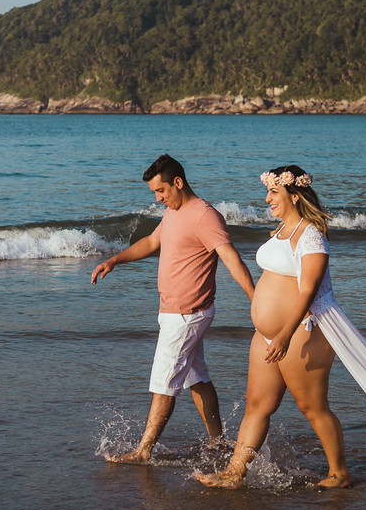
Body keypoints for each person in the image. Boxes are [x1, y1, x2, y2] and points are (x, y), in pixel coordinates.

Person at [194, 165, 366, 490]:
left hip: (302, 332)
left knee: (312, 407)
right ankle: (235, 474)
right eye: (268, 193)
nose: (267, 199)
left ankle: (339, 473)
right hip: (267, 335)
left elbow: (308, 290)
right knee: (257, 405)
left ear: (294, 195)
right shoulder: (280, 230)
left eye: (274, 193)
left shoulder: (311, 236)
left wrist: (285, 334)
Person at [92, 154, 255, 463]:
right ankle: (218, 442)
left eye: (161, 191)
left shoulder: (204, 216)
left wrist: (255, 301)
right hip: (174, 312)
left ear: (178, 182)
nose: (158, 198)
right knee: (197, 378)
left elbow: (232, 259)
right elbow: (152, 242)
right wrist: (115, 260)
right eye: (155, 192)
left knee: (164, 382)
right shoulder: (173, 212)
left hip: (187, 315)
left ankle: (143, 451)